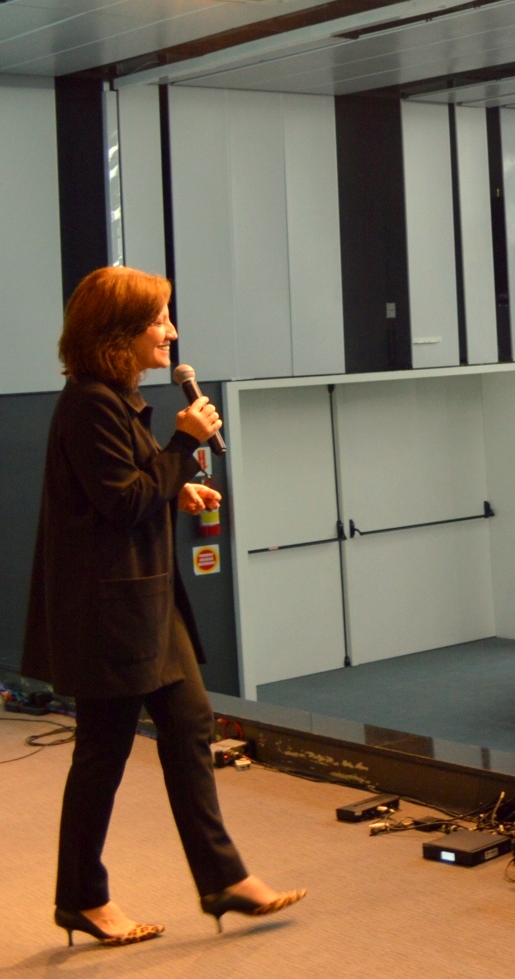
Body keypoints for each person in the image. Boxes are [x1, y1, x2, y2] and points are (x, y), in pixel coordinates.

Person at [25, 267, 303, 946]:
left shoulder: (115, 400)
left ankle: (222, 877)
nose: (172, 332)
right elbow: (120, 501)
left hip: (148, 604)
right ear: (118, 331)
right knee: (104, 751)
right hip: (110, 614)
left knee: (191, 725)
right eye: (160, 319)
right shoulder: (90, 402)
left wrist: (178, 487)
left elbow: (126, 489)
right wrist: (183, 445)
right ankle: (83, 898)